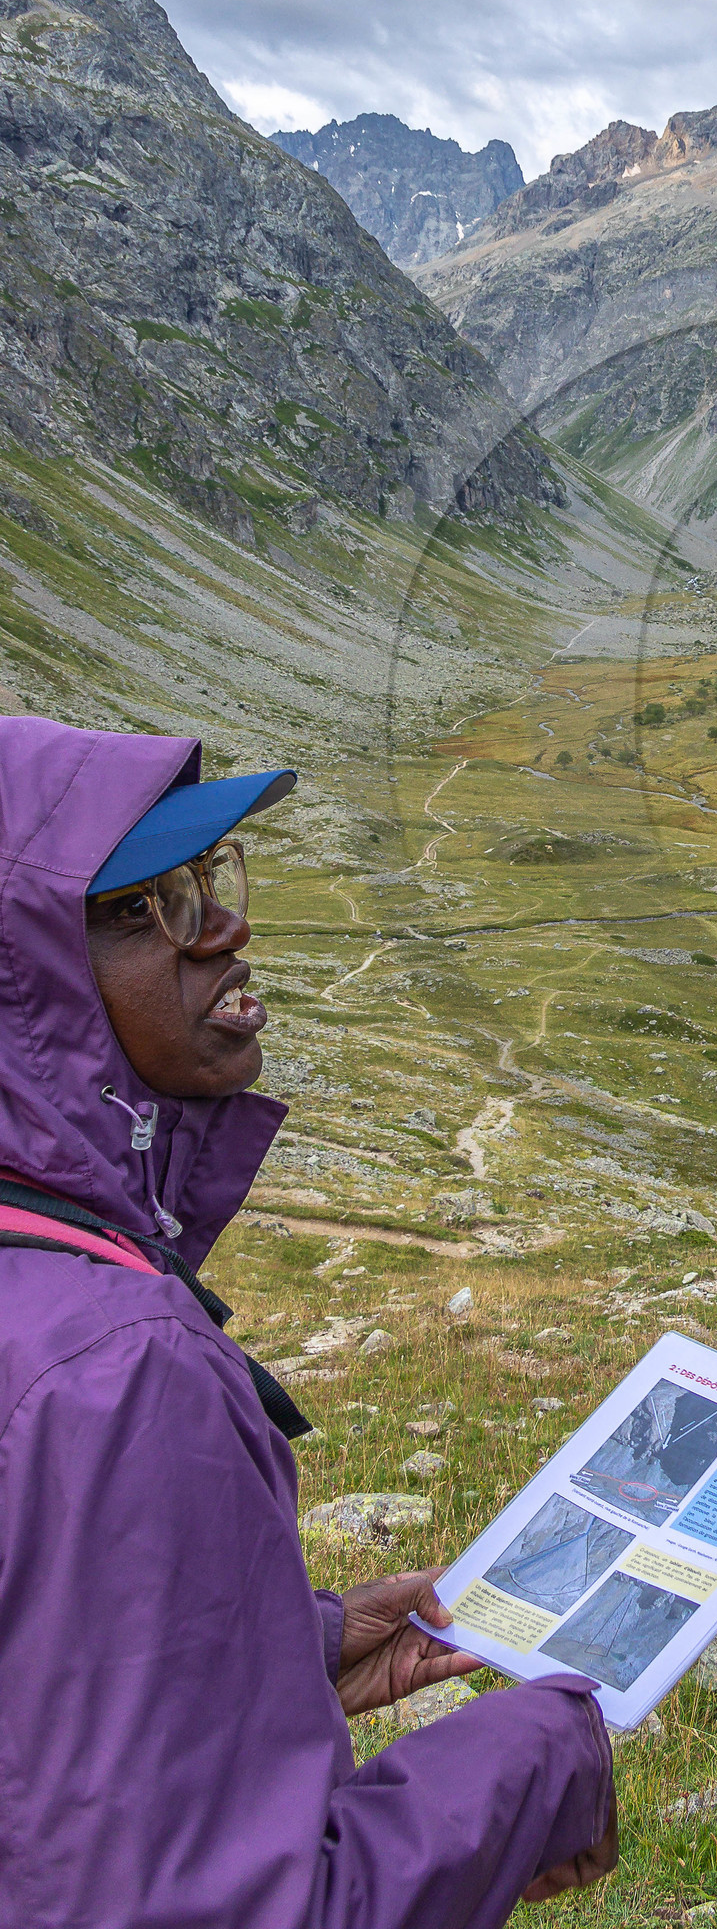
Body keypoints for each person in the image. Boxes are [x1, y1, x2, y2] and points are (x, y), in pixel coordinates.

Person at [0, 717, 617, 1929]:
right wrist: (543, 1755)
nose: (225, 927)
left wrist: (281, 1650)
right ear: (29, 981)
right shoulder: (119, 1371)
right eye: (148, 910)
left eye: (206, 880)